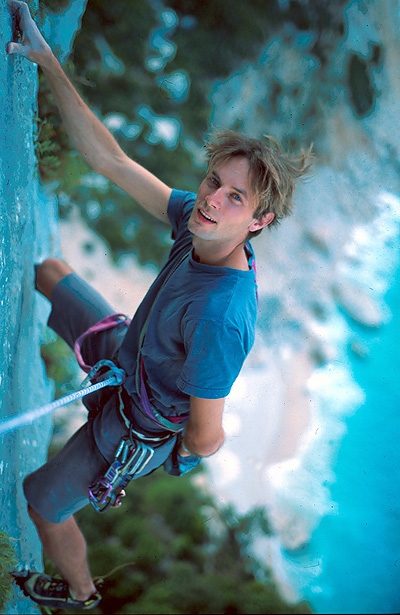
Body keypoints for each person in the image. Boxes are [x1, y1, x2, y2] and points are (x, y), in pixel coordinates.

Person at [7, 1, 313, 611]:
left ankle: (81, 595)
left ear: (259, 221)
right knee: (49, 272)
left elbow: (205, 439)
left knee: (40, 500)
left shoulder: (222, 315)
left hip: (136, 423)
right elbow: (112, 161)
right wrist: (47, 62)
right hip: (128, 355)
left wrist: (142, 448)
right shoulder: (198, 228)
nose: (212, 201)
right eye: (212, 183)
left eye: (235, 198)